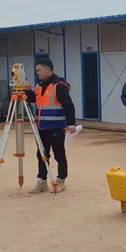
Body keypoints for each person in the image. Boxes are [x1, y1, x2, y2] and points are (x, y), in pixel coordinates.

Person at [25, 59, 77, 193]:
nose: (38, 73)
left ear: (48, 69)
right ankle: (42, 181)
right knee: (41, 155)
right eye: (37, 71)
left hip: (56, 127)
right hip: (41, 127)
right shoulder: (39, 86)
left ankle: (61, 180)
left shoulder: (59, 86)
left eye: (39, 70)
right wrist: (28, 91)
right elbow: (34, 99)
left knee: (59, 155)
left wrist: (71, 123)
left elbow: (68, 105)